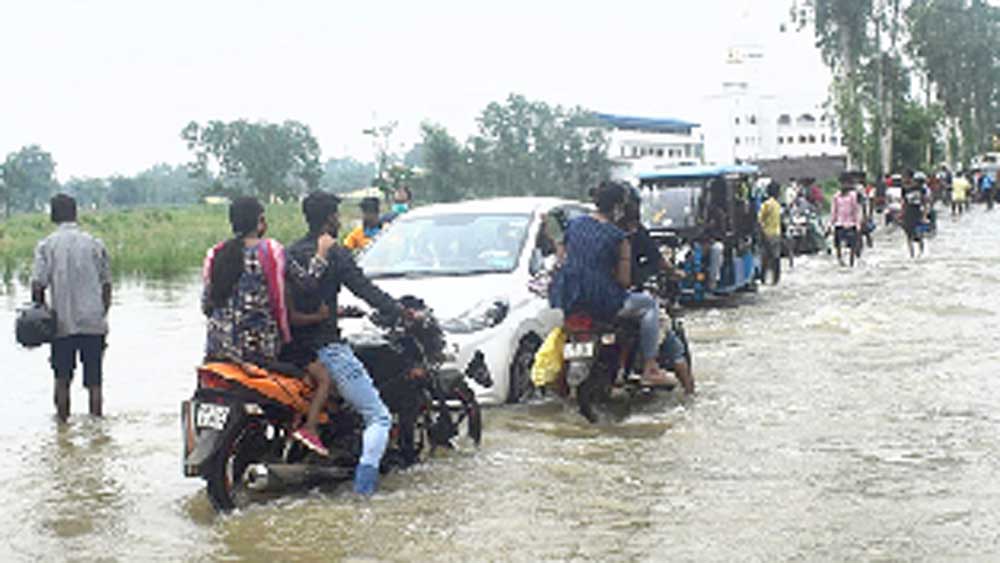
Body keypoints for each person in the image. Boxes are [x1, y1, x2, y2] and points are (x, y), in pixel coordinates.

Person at [284, 191, 414, 495]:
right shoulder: (337, 253)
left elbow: (300, 298)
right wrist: (398, 310)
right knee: (378, 416)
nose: (339, 221)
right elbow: (364, 288)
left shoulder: (291, 252)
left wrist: (338, 310)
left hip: (293, 349)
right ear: (331, 218)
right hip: (326, 347)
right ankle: (364, 489)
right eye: (337, 215)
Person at [202, 197, 332, 457]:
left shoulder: (215, 253)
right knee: (318, 378)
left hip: (217, 351)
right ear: (260, 222)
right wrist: (322, 254)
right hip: (259, 353)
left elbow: (206, 305)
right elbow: (307, 284)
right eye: (264, 218)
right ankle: (308, 430)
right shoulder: (271, 251)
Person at [549, 181, 674, 388]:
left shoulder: (573, 225)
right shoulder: (619, 237)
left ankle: (560, 381)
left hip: (568, 296)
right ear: (618, 207)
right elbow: (624, 281)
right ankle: (651, 368)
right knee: (649, 305)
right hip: (603, 300)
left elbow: (563, 257)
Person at [31, 194, 111, 422]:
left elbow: (38, 285)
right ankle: (97, 429)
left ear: (53, 215)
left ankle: (62, 429)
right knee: (95, 383)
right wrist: (101, 314)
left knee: (62, 379)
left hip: (62, 325)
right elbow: (106, 285)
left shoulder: (47, 246)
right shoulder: (95, 244)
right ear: (75, 213)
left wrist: (42, 313)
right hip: (93, 323)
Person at [621, 189, 694, 395]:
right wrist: (674, 272)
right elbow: (658, 261)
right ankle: (686, 391)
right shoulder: (630, 234)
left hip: (591, 303)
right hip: (624, 298)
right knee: (672, 342)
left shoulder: (592, 230)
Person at [830, 173, 861, 267]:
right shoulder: (836, 197)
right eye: (842, 183)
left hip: (851, 224)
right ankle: (840, 261)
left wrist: (857, 224)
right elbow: (834, 211)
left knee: (852, 245)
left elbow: (856, 210)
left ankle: (851, 262)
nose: (844, 185)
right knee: (838, 245)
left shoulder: (853, 196)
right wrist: (830, 225)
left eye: (846, 183)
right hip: (839, 224)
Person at [757, 183, 782, 284]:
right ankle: (775, 279)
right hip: (776, 234)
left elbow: (759, 219)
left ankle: (763, 278)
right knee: (775, 257)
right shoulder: (777, 204)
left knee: (765, 257)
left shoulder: (766, 204)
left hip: (766, 233)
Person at [901, 170, 927, 258]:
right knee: (909, 236)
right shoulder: (905, 189)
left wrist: (924, 215)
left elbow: (924, 202)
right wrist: (902, 214)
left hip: (918, 213)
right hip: (908, 214)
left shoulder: (921, 190)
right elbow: (903, 202)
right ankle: (911, 254)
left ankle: (921, 253)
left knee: (919, 235)